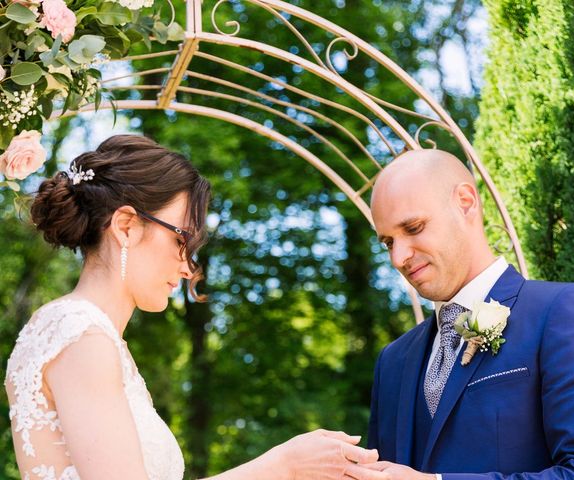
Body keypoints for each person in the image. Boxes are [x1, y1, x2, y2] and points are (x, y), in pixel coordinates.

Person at [4, 134, 378, 480]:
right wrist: (282, 465)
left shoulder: (81, 333)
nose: (187, 267)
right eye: (181, 239)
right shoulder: (80, 335)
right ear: (127, 226)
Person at [346, 149, 574, 479]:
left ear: (465, 202)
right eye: (387, 242)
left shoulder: (562, 312)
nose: (399, 257)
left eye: (413, 227)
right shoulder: (392, 361)